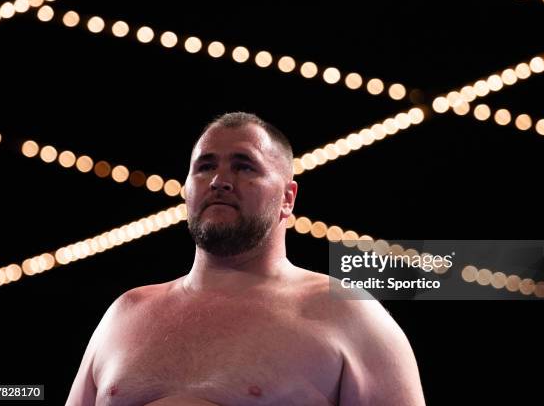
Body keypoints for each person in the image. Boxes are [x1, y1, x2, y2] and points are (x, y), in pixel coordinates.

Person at [66, 112, 426, 405]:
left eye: (244, 166)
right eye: (205, 166)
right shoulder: (126, 313)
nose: (220, 180)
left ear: (287, 198)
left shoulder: (347, 313)